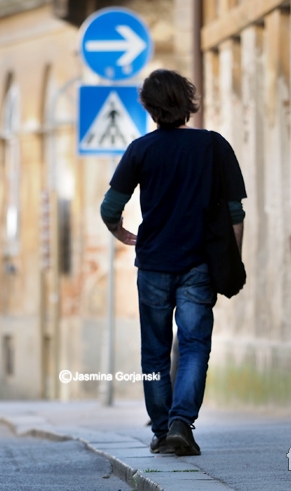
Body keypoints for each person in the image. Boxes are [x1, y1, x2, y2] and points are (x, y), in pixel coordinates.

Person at [100, 69, 246, 457]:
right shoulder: (214, 146)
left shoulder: (140, 150)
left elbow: (110, 207)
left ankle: (162, 430)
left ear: (148, 107)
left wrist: (120, 231)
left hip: (153, 264)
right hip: (199, 263)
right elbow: (235, 212)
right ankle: (183, 422)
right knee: (195, 345)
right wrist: (232, 257)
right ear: (187, 103)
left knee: (154, 350)